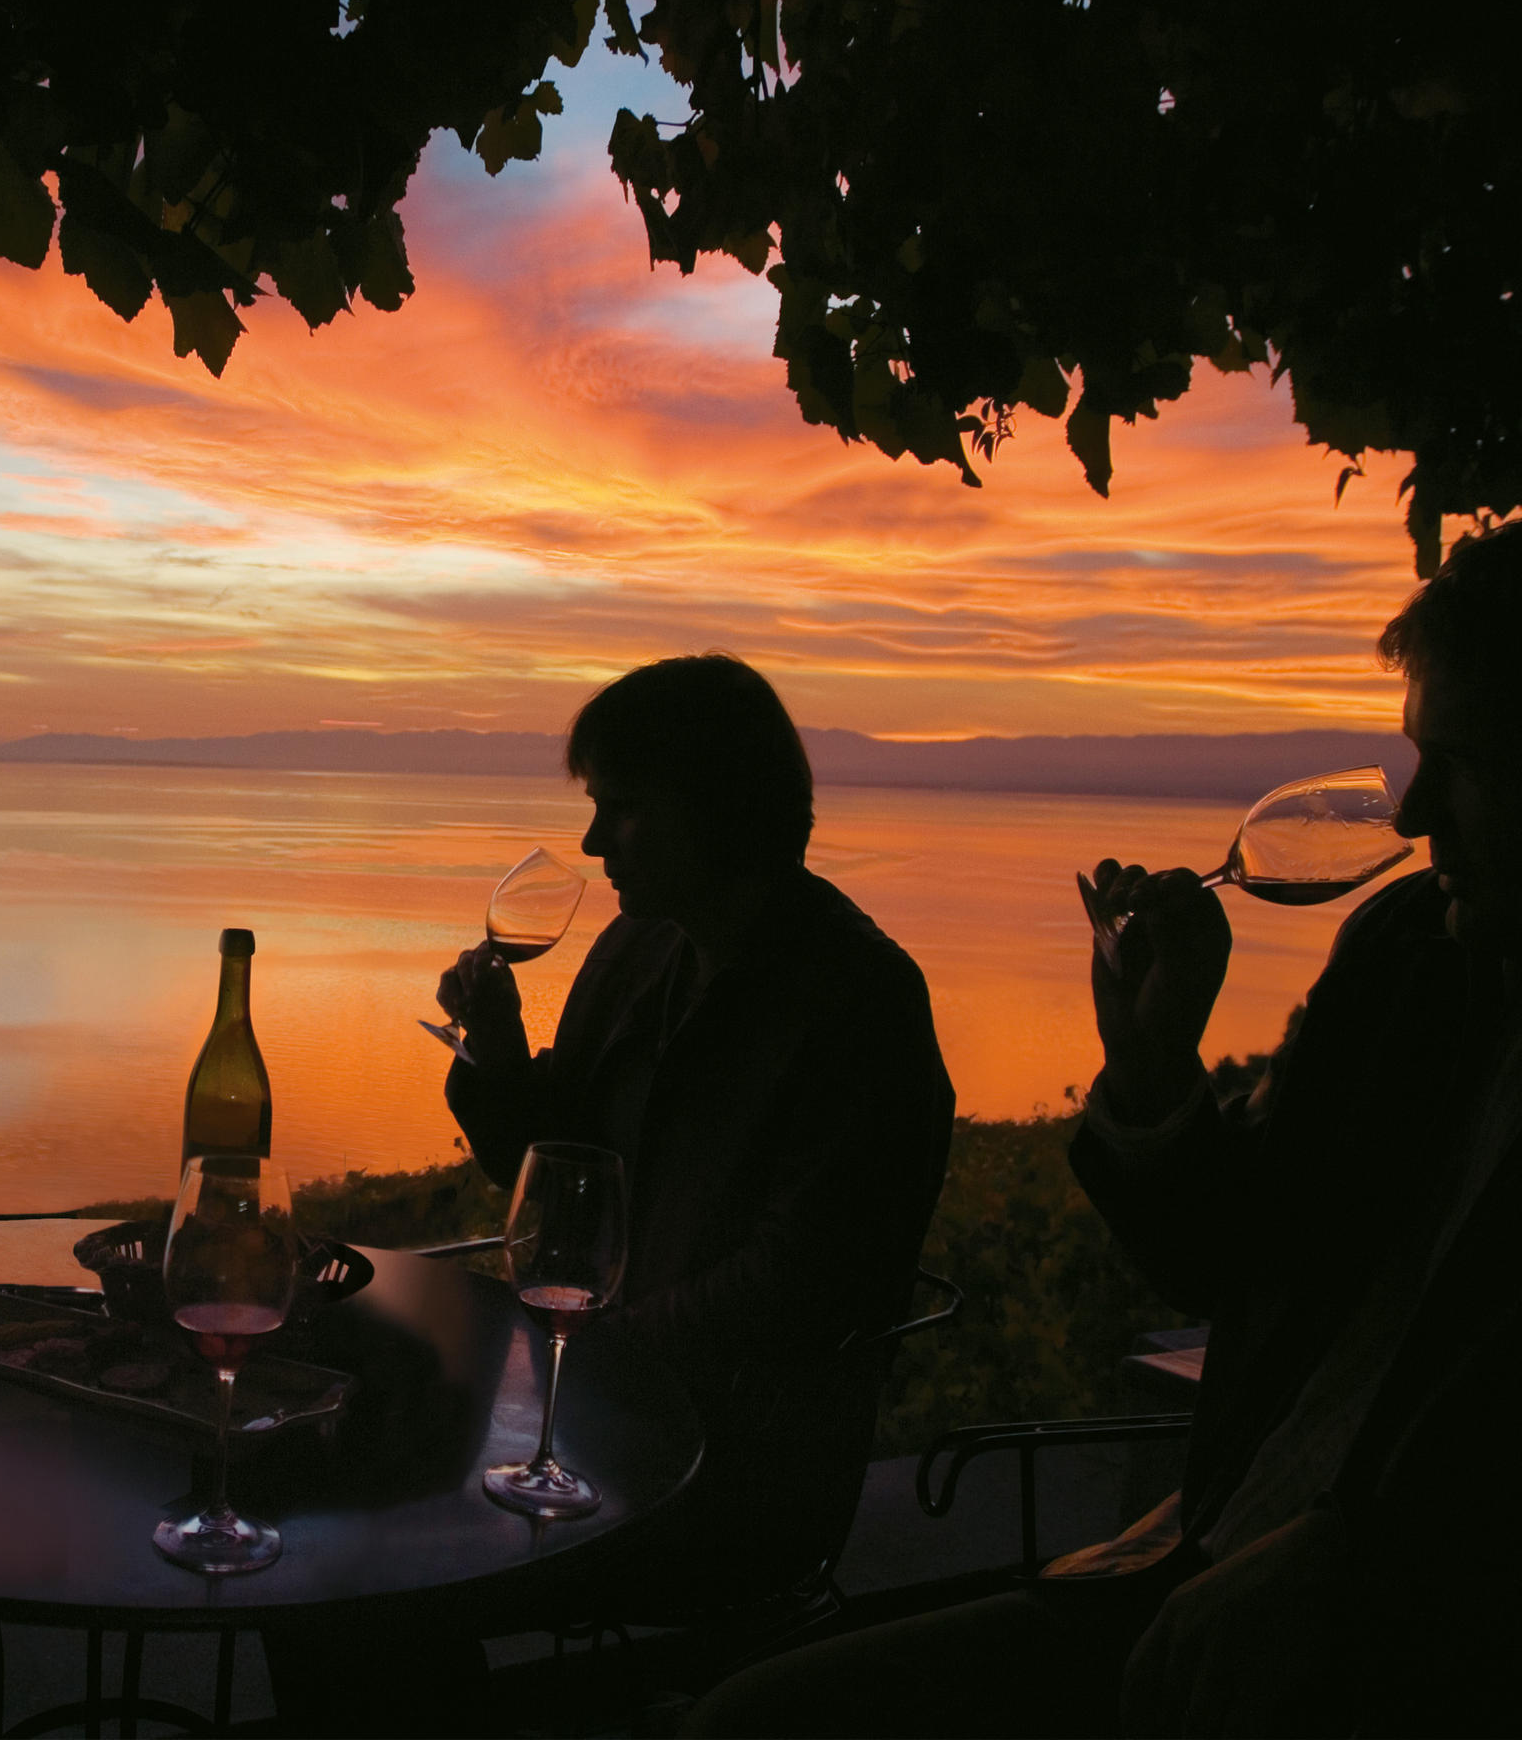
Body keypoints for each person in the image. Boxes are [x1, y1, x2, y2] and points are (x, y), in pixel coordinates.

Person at [689, 520, 1522, 1736]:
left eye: (1467, 762)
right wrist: (1150, 1064)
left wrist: (1362, 1559)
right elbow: (1234, 1259)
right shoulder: (1408, 959)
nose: (1418, 813)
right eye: (1413, 758)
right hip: (1202, 1567)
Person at [265, 655, 956, 1733]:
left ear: (718, 806)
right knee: (307, 1494)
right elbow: (552, 1171)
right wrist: (497, 1055)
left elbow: (804, 1282)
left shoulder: (858, 1001)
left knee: (350, 1582)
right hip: (580, 1422)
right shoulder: (640, 948)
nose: (593, 844)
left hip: (731, 1482)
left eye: (621, 809)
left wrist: (577, 1360)